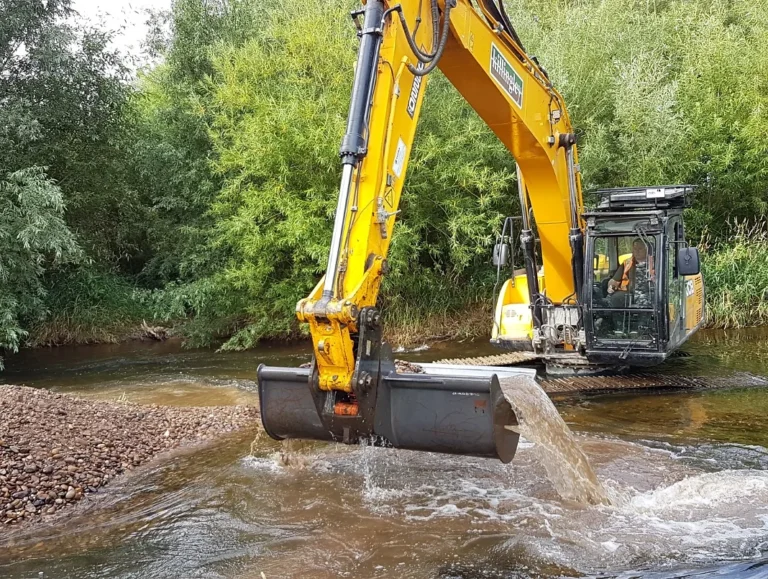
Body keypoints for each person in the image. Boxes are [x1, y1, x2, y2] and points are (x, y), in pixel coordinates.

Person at [606, 238, 655, 332]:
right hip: (629, 293)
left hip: (649, 292)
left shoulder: (655, 263)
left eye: (640, 248)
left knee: (647, 300)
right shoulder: (627, 263)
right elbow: (614, 280)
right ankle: (619, 328)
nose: (637, 251)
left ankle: (642, 329)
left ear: (647, 249)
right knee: (615, 298)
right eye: (635, 249)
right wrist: (611, 286)